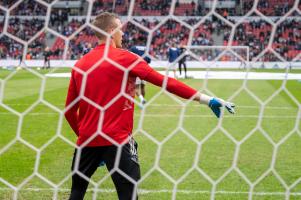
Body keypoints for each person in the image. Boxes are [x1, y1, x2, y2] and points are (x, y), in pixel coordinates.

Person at [65, 12, 235, 200]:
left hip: (86, 142)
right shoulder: (125, 58)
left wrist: (84, 135)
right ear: (112, 31)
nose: (123, 34)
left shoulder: (79, 65)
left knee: (77, 192)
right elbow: (166, 82)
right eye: (121, 29)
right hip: (117, 141)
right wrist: (207, 99)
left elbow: (69, 111)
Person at [129, 36, 151, 106]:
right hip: (145, 69)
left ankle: (142, 100)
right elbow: (149, 60)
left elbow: (130, 57)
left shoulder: (133, 48)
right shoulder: (146, 49)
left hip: (137, 69)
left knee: (136, 87)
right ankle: (143, 102)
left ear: (137, 41)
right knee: (143, 87)